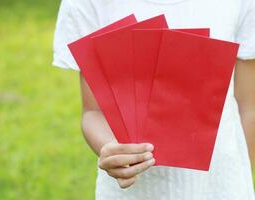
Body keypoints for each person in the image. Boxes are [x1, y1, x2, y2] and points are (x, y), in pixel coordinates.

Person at [52, 0, 255, 199]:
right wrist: (111, 150)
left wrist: (240, 179)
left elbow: (249, 108)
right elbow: (93, 111)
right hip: (132, 190)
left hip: (223, 184)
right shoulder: (88, 4)